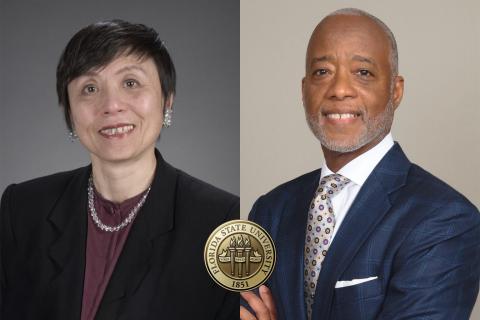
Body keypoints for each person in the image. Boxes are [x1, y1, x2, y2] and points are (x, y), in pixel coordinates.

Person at [240, 8, 480, 320]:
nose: (339, 89)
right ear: (303, 91)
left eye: (363, 73)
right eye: (322, 72)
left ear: (395, 91)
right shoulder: (271, 211)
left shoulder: (445, 221)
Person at [0, 20, 239, 320]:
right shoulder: (22, 209)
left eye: (130, 83)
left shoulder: (223, 221)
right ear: (70, 113)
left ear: (167, 101)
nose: (111, 105)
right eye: (90, 88)